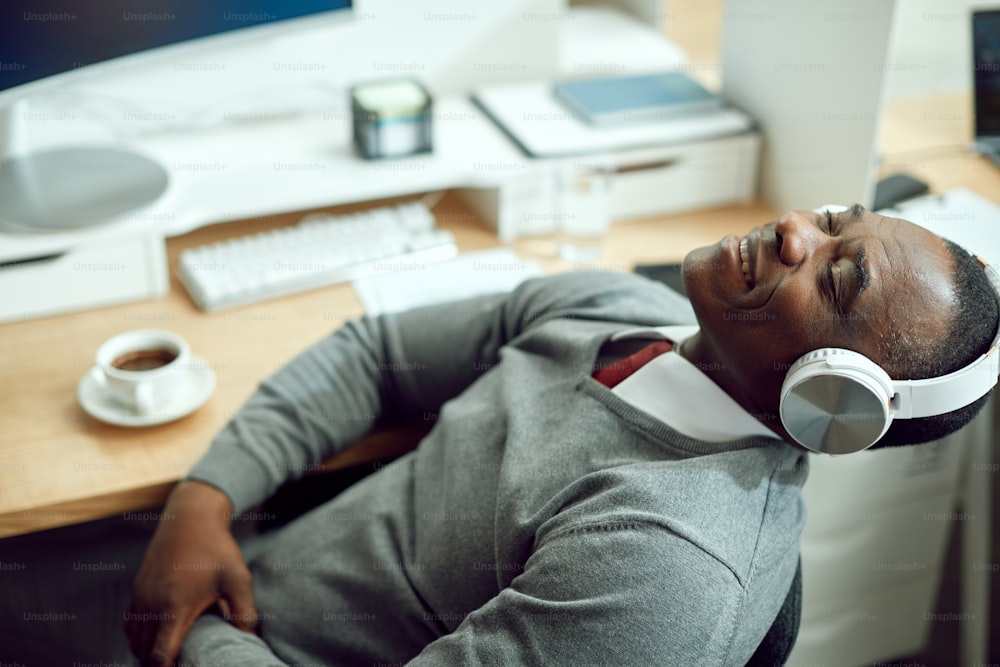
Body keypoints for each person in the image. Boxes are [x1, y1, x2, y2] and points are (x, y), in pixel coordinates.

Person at [124, 204, 999, 666]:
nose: (797, 230)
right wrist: (204, 501)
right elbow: (380, 355)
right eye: (838, 216)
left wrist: (182, 626)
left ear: (832, 395)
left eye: (836, 272)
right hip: (223, 567)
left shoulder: (665, 567)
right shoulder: (627, 307)